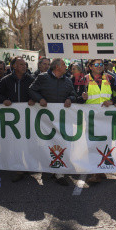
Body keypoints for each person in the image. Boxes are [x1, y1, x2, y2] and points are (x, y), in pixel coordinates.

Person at [29, 58, 77, 186]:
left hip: (62, 119)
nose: (66, 66)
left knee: (62, 143)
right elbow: (31, 90)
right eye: (63, 65)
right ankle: (49, 169)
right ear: (57, 67)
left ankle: (59, 172)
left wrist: (69, 99)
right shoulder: (42, 78)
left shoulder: (67, 80)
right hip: (46, 120)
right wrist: (39, 99)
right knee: (47, 143)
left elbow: (73, 94)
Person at [81, 59, 116, 184]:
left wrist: (112, 101)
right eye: (96, 64)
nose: (100, 66)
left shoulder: (110, 78)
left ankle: (100, 170)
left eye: (101, 64)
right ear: (90, 67)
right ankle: (95, 171)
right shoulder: (84, 79)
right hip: (91, 118)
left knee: (105, 143)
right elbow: (74, 96)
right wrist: (81, 97)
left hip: (106, 118)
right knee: (92, 144)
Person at [0, 57, 35, 182]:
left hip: (28, 117)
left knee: (28, 141)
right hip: (11, 118)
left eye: (25, 64)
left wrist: (33, 99)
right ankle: (19, 168)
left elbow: (38, 93)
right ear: (14, 66)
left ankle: (27, 165)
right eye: (21, 64)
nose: (24, 66)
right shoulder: (6, 80)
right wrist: (3, 100)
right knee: (16, 142)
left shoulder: (31, 79)